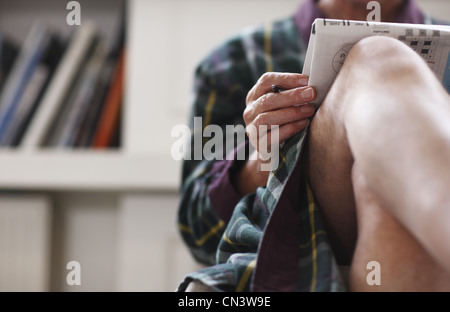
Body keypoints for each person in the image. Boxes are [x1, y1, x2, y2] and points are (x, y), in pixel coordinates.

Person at [177, 0, 449, 291]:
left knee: (377, 181)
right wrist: (265, 159)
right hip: (301, 232)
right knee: (378, 54)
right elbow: (199, 230)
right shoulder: (234, 60)